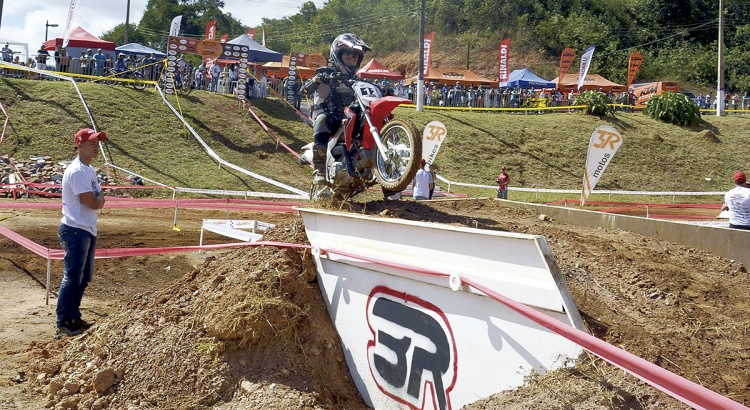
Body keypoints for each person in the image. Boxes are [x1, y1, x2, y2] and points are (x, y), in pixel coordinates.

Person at [55, 128, 107, 337]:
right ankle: (63, 322)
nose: (96, 147)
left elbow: (97, 199)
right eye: (92, 143)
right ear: (80, 145)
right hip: (75, 229)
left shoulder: (89, 170)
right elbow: (95, 202)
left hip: (86, 228)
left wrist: (99, 199)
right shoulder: (77, 171)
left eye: (97, 143)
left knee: (83, 277)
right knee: (73, 276)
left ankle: (73, 317)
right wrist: (100, 199)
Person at [303, 33, 370, 189]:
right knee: (323, 118)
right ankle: (319, 170)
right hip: (330, 116)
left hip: (348, 117)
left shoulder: (357, 79)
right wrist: (316, 80)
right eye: (348, 57)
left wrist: (383, 89)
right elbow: (304, 89)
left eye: (355, 58)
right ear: (338, 55)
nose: (352, 60)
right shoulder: (325, 71)